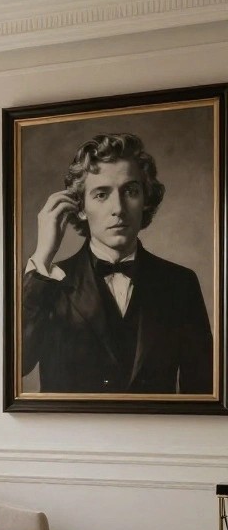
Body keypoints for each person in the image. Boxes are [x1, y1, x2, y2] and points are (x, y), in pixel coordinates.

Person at [21, 132, 213, 394]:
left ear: (145, 199)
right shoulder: (48, 282)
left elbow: (203, 392)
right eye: (101, 194)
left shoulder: (181, 283)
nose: (119, 209)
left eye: (131, 191)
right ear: (80, 207)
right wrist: (43, 255)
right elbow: (17, 366)